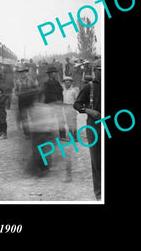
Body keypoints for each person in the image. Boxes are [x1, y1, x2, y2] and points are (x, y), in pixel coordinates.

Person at [73, 59, 101, 200]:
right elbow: (76, 105)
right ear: (95, 71)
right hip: (94, 125)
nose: (102, 73)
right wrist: (88, 111)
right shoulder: (88, 87)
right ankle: (99, 192)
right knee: (96, 160)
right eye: (99, 70)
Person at [41, 65, 66, 140]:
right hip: (50, 104)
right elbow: (46, 94)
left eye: (55, 72)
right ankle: (48, 135)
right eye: (53, 72)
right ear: (49, 74)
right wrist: (55, 100)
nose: (55, 74)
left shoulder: (57, 82)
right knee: (49, 120)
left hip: (58, 104)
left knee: (61, 120)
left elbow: (61, 91)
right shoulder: (46, 83)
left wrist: (61, 100)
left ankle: (62, 136)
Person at [14, 65, 38, 139]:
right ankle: (27, 133)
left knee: (33, 117)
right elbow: (15, 91)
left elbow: (36, 89)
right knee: (24, 118)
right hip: (22, 102)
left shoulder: (31, 80)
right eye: (20, 73)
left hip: (30, 101)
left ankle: (35, 132)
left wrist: (32, 93)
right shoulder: (17, 82)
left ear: (27, 73)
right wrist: (17, 94)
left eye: (24, 72)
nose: (22, 74)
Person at [62, 76, 79, 140]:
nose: (67, 84)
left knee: (73, 122)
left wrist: (74, 107)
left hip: (72, 107)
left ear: (71, 83)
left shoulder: (73, 91)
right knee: (68, 122)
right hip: (65, 107)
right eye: (65, 83)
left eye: (68, 83)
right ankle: (71, 136)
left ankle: (75, 137)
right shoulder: (63, 91)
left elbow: (77, 100)